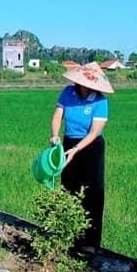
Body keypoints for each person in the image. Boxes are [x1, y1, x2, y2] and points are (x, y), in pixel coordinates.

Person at [49, 61, 114, 254]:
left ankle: (90, 242)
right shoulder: (68, 93)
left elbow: (94, 133)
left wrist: (76, 149)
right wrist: (54, 136)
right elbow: (57, 116)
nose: (86, 87)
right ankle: (69, 236)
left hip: (90, 148)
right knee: (69, 188)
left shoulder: (100, 102)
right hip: (68, 143)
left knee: (93, 193)